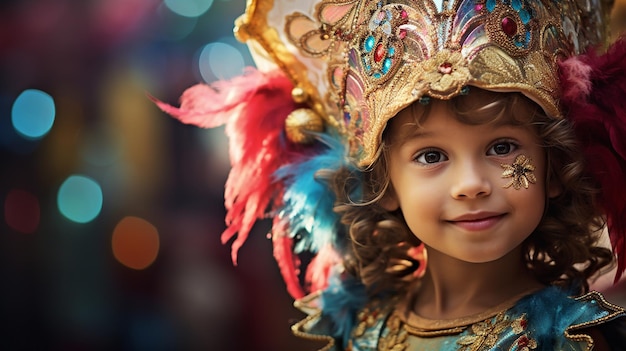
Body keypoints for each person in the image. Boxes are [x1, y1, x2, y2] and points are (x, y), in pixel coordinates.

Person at [154, 0, 626, 349]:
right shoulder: (358, 329)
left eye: (502, 148)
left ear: (555, 168)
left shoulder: (571, 340)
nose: (471, 183)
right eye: (430, 156)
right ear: (384, 184)